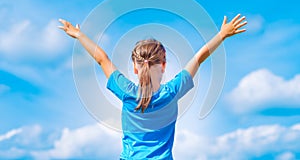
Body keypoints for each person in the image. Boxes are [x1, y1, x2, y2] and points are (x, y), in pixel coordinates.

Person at [58, 14, 247, 159]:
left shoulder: (126, 91)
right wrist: (222, 35)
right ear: (163, 65)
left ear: (134, 67)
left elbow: (102, 59)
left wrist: (79, 35)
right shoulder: (172, 91)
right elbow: (199, 58)